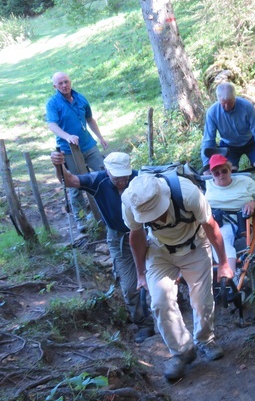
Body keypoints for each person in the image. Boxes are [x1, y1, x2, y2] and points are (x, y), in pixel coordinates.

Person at [121, 173, 234, 381]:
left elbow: (211, 227)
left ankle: (205, 340)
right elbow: (135, 236)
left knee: (201, 299)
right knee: (160, 301)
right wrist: (140, 273)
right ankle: (182, 351)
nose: (153, 218)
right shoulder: (130, 203)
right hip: (159, 251)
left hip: (195, 245)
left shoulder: (188, 194)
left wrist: (224, 263)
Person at [51, 151, 155, 343]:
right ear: (107, 171)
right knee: (130, 285)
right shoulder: (97, 181)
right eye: (117, 178)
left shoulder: (141, 179)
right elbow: (70, 181)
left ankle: (172, 307)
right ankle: (143, 323)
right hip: (119, 239)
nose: (122, 182)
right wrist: (59, 166)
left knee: (160, 276)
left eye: (125, 177)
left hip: (147, 234)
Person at [200, 81, 255, 226]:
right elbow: (208, 140)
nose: (226, 106)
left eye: (229, 102)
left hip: (250, 142)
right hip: (228, 145)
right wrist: (207, 165)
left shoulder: (246, 107)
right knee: (228, 175)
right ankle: (234, 210)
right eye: (223, 103)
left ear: (235, 98)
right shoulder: (213, 112)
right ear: (218, 99)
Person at [46, 72, 109, 232]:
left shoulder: (80, 98)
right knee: (75, 184)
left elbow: (90, 119)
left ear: (70, 81)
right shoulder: (53, 103)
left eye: (66, 82)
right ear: (55, 86)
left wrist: (100, 137)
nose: (64, 85)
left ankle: (108, 207)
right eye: (60, 84)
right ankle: (81, 219)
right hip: (69, 150)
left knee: (106, 173)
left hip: (88, 145)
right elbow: (52, 125)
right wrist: (67, 137)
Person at [203, 154, 255, 280]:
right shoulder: (207, 185)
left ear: (230, 170)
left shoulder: (245, 181)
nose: (221, 175)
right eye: (216, 173)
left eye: (224, 171)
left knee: (222, 237)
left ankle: (230, 274)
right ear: (211, 174)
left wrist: (253, 203)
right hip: (211, 218)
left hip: (234, 220)